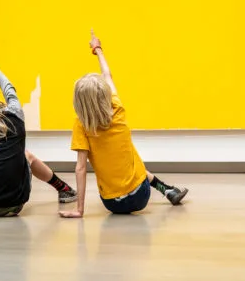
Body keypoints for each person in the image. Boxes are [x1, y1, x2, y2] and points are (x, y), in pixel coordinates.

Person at [60, 31, 188, 219]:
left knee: (120, 156)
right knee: (130, 154)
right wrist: (97, 49)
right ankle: (166, 189)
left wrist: (79, 210)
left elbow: (80, 168)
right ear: (104, 94)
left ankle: (167, 189)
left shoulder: (81, 125)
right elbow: (107, 74)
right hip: (141, 196)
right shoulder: (117, 109)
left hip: (112, 203)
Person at [0, 50, 77, 217]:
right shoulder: (15, 112)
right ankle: (63, 188)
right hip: (15, 205)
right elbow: (7, 86)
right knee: (26, 155)